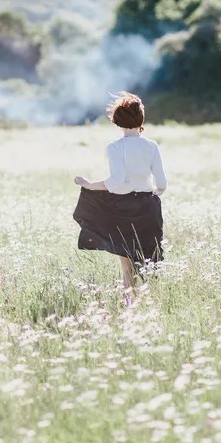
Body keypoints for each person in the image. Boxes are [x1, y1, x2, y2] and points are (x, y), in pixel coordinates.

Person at [73, 91, 167, 293]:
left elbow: (117, 182)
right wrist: (151, 195)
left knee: (127, 261)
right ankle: (152, 301)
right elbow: (162, 184)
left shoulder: (115, 147)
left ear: (117, 121)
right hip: (149, 205)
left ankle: (129, 301)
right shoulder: (151, 146)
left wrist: (88, 184)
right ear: (141, 118)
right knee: (151, 260)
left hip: (124, 206)